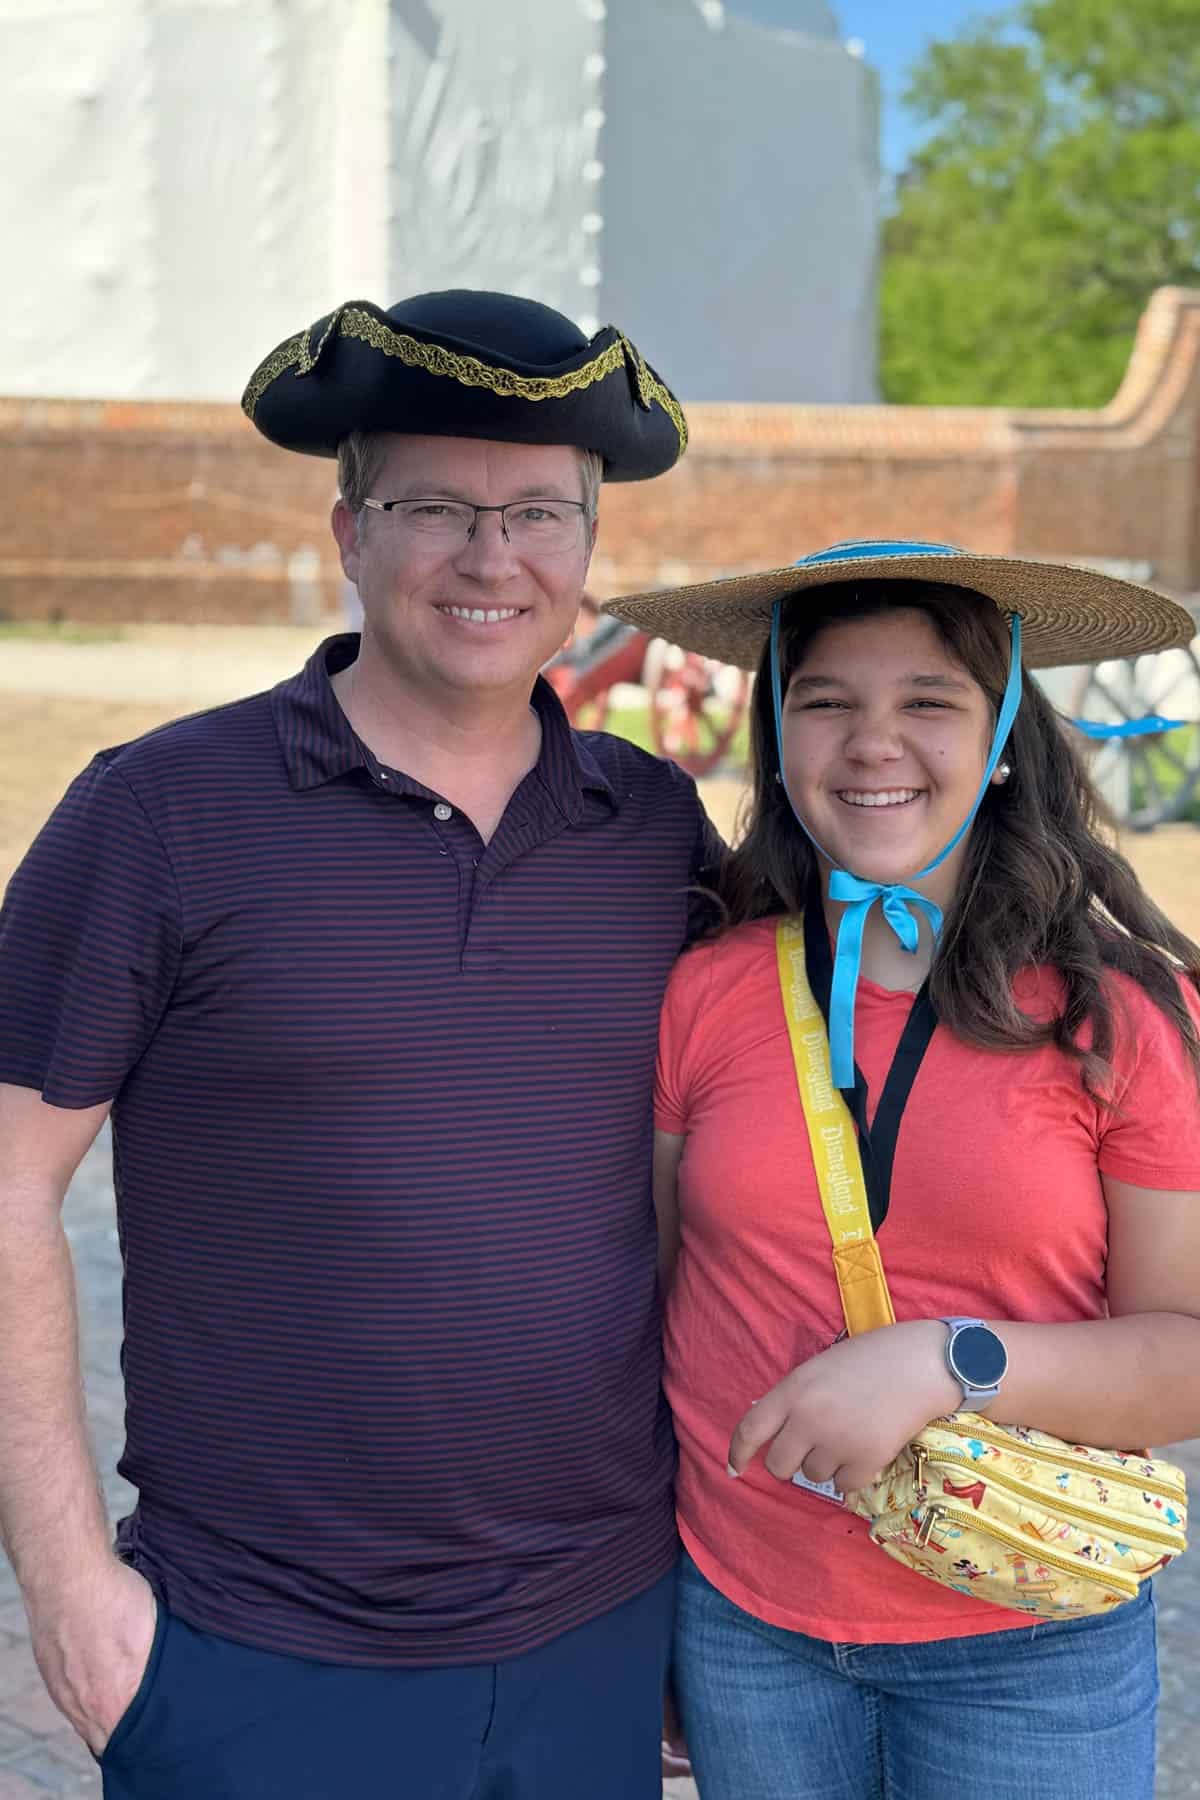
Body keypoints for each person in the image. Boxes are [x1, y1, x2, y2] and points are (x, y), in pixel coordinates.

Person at [0, 290, 719, 1800]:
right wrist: (69, 1599)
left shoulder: (654, 829)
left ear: (590, 547)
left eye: (539, 514)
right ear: (348, 531)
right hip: (254, 1657)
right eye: (435, 508)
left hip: (597, 1635)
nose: (492, 558)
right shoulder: (160, 813)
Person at [608, 539, 1200, 1800]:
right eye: (826, 701)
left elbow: (1189, 1354)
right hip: (745, 1625)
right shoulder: (706, 992)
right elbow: (650, 1308)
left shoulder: (1121, 1017)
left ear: (1003, 739)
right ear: (779, 737)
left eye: (929, 700)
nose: (874, 743)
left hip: (1028, 1635)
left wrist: (949, 1361)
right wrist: (641, 1607)